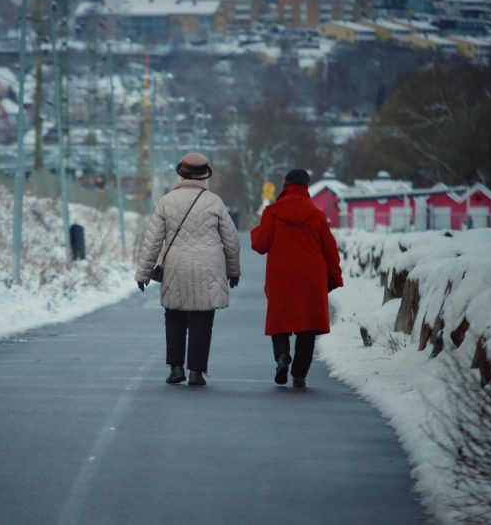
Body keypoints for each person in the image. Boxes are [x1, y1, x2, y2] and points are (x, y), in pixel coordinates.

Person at [136, 153, 241, 386]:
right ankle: (196, 372)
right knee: (202, 319)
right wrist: (233, 271)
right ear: (205, 174)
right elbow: (232, 240)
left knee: (174, 316)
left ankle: (175, 368)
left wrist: (143, 273)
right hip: (209, 268)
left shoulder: (166, 202)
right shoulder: (215, 202)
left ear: (180, 173)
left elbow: (152, 240)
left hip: (177, 267)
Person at [250, 169, 343, 388]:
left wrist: (258, 229)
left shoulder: (272, 212)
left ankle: (282, 356)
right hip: (311, 276)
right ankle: (299, 374)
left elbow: (260, 244)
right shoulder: (317, 214)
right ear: (306, 187)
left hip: (281, 275)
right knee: (307, 326)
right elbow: (331, 250)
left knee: (280, 322)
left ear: (284, 185)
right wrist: (335, 277)